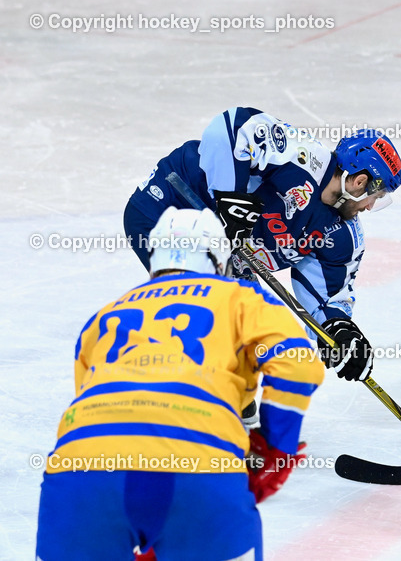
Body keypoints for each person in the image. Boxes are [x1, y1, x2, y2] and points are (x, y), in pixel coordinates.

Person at [36, 208, 328, 560]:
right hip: (199, 463)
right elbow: (297, 364)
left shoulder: (105, 315)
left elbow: (94, 401)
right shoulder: (240, 296)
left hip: (79, 470)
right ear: (218, 260)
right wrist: (276, 449)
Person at [124, 109, 401, 404]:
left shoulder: (343, 237)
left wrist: (341, 332)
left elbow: (328, 300)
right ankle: (175, 398)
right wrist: (230, 197)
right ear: (360, 182)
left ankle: (227, 403)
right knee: (199, 308)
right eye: (378, 195)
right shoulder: (302, 157)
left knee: (244, 327)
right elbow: (228, 128)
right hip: (170, 202)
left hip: (227, 254)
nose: (371, 206)